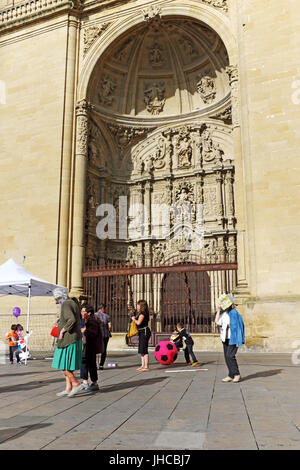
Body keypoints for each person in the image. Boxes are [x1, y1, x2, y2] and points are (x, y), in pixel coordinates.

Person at [51, 287, 83, 397]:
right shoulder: (71, 303)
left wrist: (62, 331)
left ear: (58, 296)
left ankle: (76, 383)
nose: (54, 299)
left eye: (54, 297)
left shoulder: (66, 304)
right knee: (66, 365)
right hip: (72, 338)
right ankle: (68, 388)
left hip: (68, 339)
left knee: (62, 364)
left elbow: (72, 319)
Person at [215, 293, 245, 383]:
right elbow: (217, 322)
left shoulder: (234, 312)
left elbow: (238, 325)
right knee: (226, 357)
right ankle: (230, 375)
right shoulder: (224, 313)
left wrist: (230, 325)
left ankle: (237, 374)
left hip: (233, 338)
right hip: (225, 337)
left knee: (230, 356)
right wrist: (218, 310)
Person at [80, 305, 103, 391]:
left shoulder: (92, 321)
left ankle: (88, 382)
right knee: (89, 363)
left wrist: (84, 331)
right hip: (90, 346)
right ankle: (90, 382)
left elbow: (92, 334)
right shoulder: (89, 321)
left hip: (90, 346)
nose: (81, 313)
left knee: (86, 362)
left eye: (83, 311)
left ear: (88, 313)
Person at [131, 300, 151, 372]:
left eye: (139, 305)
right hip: (142, 332)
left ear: (141, 306)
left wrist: (133, 319)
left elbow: (138, 323)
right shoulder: (143, 313)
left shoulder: (143, 313)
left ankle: (146, 366)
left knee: (144, 349)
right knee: (141, 349)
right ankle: (143, 365)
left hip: (144, 332)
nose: (138, 306)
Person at [95, 303, 112, 370]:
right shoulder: (107, 316)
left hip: (97, 335)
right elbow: (109, 326)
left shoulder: (94, 315)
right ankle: (101, 365)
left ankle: (95, 364)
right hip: (105, 335)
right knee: (104, 350)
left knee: (95, 349)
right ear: (102, 308)